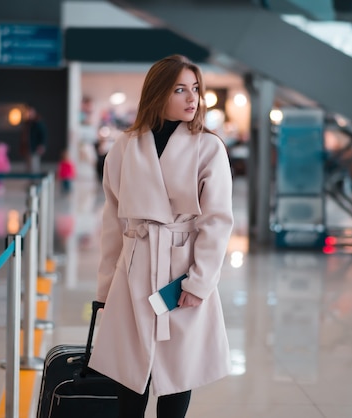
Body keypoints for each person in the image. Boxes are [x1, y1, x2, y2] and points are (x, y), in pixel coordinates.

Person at [88, 54, 234, 418]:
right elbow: (113, 222)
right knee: (130, 375)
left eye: (196, 89)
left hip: (181, 269)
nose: (192, 98)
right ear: (157, 93)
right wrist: (106, 288)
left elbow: (217, 221)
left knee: (176, 372)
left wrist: (199, 282)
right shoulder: (125, 146)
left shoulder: (209, 147)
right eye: (180, 89)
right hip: (134, 266)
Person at [20, 106, 47, 173]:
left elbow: (43, 135)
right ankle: (31, 181)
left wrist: (41, 145)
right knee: (28, 166)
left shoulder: (38, 123)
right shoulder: (27, 123)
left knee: (34, 166)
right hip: (27, 148)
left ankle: (36, 181)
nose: (29, 114)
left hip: (34, 148)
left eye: (30, 112)